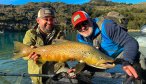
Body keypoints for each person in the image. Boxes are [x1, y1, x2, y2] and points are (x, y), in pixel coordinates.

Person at [71, 10, 140, 82]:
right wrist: (78, 68)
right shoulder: (80, 38)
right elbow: (85, 57)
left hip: (122, 54)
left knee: (140, 64)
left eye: (84, 23)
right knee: (80, 73)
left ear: (90, 20)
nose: (83, 28)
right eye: (78, 27)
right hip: (102, 59)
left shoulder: (107, 26)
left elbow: (131, 42)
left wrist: (127, 61)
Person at [23, 8, 76, 84]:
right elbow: (24, 53)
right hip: (38, 73)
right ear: (38, 21)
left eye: (51, 19)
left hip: (58, 69)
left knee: (74, 79)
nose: (49, 22)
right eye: (46, 19)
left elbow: (63, 54)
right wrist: (30, 55)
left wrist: (70, 58)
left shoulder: (60, 34)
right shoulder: (30, 34)